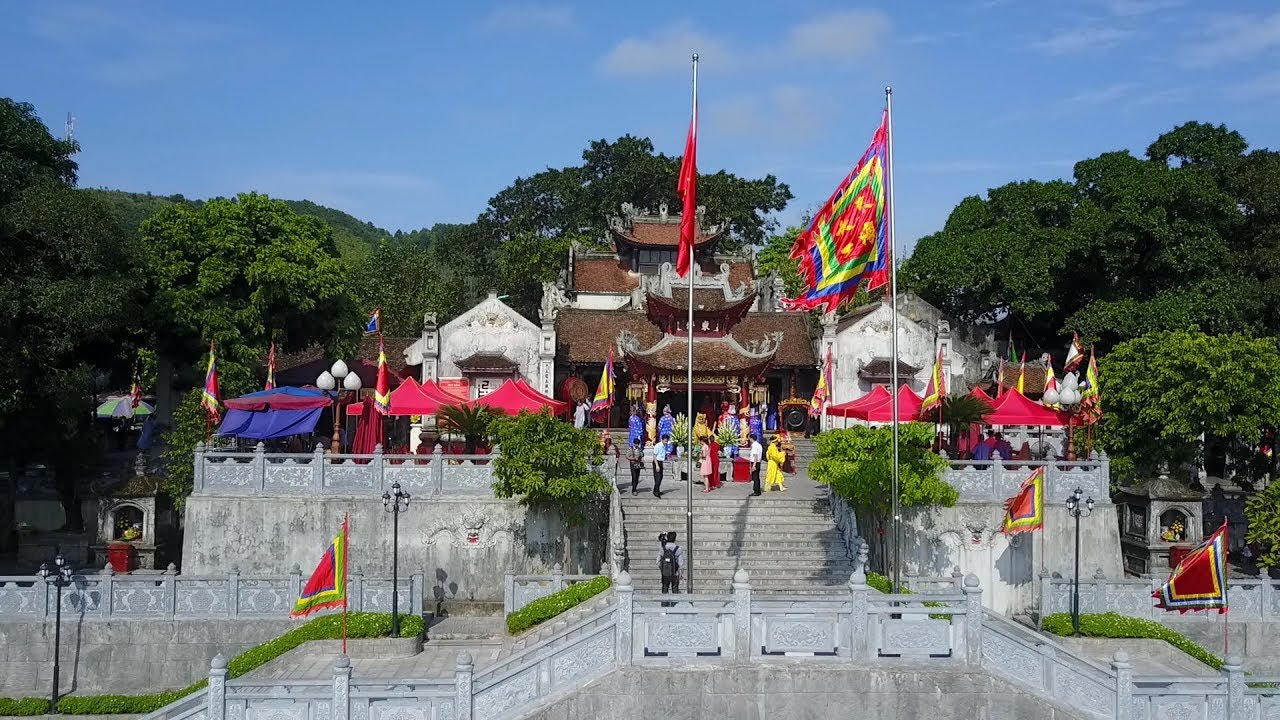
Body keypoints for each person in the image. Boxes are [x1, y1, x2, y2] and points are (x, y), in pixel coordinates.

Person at [658, 531, 686, 605]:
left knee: (664, 589)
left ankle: (664, 608)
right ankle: (674, 606)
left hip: (665, 573)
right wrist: (681, 573)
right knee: (675, 590)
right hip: (675, 573)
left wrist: (663, 568)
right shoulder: (678, 549)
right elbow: (681, 563)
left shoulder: (662, 549)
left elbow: (657, 561)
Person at [652, 434, 669, 498]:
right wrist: (657, 465)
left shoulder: (665, 445)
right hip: (656, 462)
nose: (666, 442)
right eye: (665, 441)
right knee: (658, 478)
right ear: (662, 440)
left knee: (660, 477)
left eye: (667, 441)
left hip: (661, 462)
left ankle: (657, 490)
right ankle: (655, 492)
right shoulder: (658, 446)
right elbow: (654, 456)